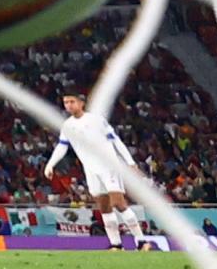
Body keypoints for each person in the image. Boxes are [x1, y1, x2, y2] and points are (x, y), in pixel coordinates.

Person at [45, 93, 151, 251]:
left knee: (118, 203)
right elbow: (62, 145)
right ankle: (116, 244)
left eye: (72, 101)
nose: (68, 105)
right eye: (65, 102)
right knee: (104, 207)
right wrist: (50, 164)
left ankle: (142, 241)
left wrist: (130, 162)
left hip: (108, 166)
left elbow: (115, 140)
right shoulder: (67, 125)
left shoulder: (96, 120)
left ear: (81, 103)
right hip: (91, 169)